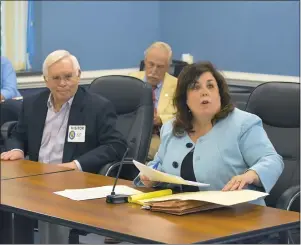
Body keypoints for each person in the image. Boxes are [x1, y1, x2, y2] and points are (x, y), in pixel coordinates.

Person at [0, 50, 127, 243]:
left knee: (51, 204)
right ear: (46, 80)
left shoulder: (97, 107)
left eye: (68, 77)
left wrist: (75, 164)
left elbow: (115, 145)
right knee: (7, 197)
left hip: (72, 180)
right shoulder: (34, 103)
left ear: (79, 75)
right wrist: (17, 150)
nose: (62, 83)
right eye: (56, 78)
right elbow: (18, 133)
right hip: (35, 178)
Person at [134, 61, 284, 206]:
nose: (204, 92)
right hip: (183, 214)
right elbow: (158, 165)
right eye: (195, 87)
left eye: (210, 86)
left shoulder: (243, 124)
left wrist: (251, 175)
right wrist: (150, 177)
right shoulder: (171, 128)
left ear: (220, 93)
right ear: (184, 99)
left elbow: (272, 160)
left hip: (238, 216)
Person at [129, 42, 178, 161]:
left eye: (160, 66)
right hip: (132, 133)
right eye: (151, 64)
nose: (154, 70)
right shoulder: (131, 80)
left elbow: (183, 116)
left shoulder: (177, 86)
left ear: (168, 67)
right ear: (145, 62)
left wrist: (161, 119)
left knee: (147, 153)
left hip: (159, 135)